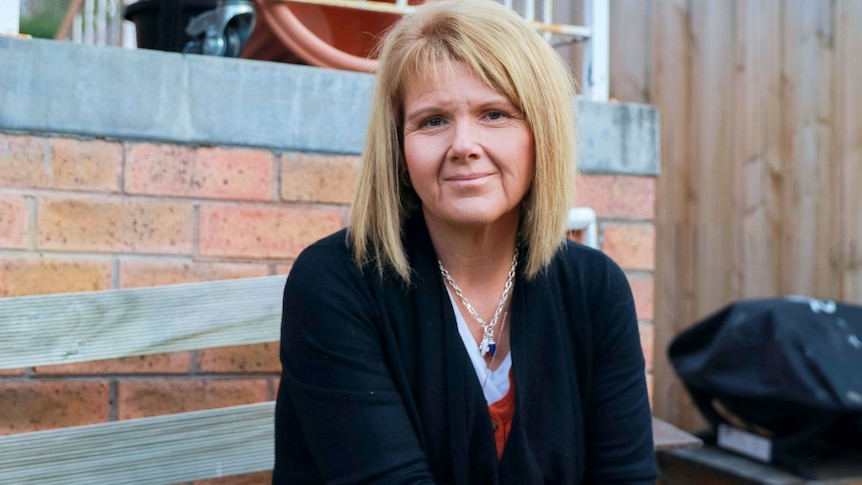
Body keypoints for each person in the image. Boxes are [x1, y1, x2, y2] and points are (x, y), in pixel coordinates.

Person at [273, 0, 658, 483]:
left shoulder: (594, 288)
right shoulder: (335, 284)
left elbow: (626, 476)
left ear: (542, 134)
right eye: (433, 120)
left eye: (494, 114)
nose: (464, 145)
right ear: (399, 147)